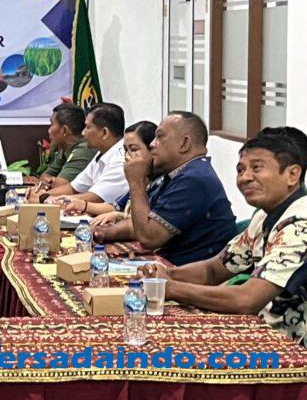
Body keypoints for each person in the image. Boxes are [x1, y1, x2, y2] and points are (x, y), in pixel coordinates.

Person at [140, 134, 307, 344]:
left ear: (292, 175)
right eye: (240, 170)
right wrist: (165, 274)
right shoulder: (264, 215)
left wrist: (171, 288)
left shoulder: (300, 223)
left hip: (293, 347)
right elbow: (214, 270)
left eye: (257, 168)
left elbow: (247, 300)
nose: (245, 178)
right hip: (262, 330)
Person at [96, 112, 237, 265]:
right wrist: (101, 232)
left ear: (184, 143)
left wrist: (136, 182)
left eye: (160, 137)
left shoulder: (194, 179)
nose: (152, 144)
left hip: (189, 273)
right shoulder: (176, 174)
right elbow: (141, 224)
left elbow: (149, 237)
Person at [28, 102, 128, 210]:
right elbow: (74, 187)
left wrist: (46, 200)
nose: (84, 133)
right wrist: (42, 195)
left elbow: (96, 197)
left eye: (88, 127)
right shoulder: (102, 153)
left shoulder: (121, 159)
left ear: (104, 133)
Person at [89, 120, 157, 226]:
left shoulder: (159, 184)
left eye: (133, 149)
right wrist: (83, 205)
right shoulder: (143, 179)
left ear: (153, 150)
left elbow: (151, 224)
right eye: (125, 150)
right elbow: (115, 207)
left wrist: (119, 216)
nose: (127, 156)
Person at [38, 103, 97, 189]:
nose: (49, 130)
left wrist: (52, 182)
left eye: (52, 124)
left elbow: (59, 187)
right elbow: (44, 177)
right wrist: (50, 181)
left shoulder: (84, 150)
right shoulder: (65, 148)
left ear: (64, 130)